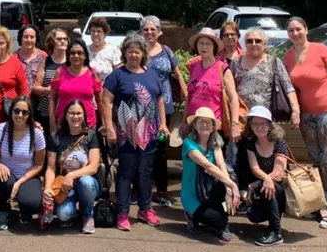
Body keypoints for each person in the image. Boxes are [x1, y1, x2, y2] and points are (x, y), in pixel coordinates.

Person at [285, 16, 327, 229]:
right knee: (316, 161)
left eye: (298, 29)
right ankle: (318, 204)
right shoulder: (288, 56)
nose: (295, 33)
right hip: (307, 116)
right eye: (291, 30)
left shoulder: (321, 50)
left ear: (306, 29)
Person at [101, 33, 168, 231]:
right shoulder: (117, 76)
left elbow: (159, 100)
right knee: (126, 173)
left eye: (137, 52)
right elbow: (106, 101)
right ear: (125, 53)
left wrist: (163, 123)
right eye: (130, 52)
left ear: (143, 54)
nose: (133, 55)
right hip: (126, 135)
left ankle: (145, 209)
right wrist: (110, 127)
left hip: (149, 135)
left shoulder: (151, 74)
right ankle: (122, 212)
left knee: (146, 173)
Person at [230, 27, 299, 197]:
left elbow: (288, 87)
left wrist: (295, 110)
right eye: (249, 41)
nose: (253, 44)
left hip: (265, 122)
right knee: (242, 159)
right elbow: (228, 92)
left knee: (268, 158)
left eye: (258, 41)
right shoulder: (236, 62)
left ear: (265, 44)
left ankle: (269, 193)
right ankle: (245, 195)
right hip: (243, 120)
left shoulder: (274, 62)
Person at [140, 15, 186, 206]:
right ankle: (140, 188)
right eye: (146, 29)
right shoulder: (137, 51)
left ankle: (161, 190)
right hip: (141, 107)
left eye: (153, 29)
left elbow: (177, 73)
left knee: (160, 149)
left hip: (164, 110)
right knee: (141, 146)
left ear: (159, 32)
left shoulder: (166, 51)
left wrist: (186, 93)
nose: (149, 32)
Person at [183, 28, 242, 176]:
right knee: (194, 168)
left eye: (208, 44)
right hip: (194, 125)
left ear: (214, 47)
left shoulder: (222, 68)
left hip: (213, 127)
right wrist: (184, 121)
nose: (204, 47)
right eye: (201, 43)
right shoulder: (194, 67)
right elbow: (189, 96)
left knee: (215, 168)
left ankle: (218, 196)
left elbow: (234, 98)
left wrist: (234, 124)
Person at [181, 107, 241, 243]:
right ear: (194, 125)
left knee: (224, 195)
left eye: (209, 122)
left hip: (210, 190)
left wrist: (228, 189)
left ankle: (223, 223)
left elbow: (221, 166)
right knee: (216, 219)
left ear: (214, 127)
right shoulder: (188, 144)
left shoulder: (215, 144)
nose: (205, 125)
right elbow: (209, 166)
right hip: (192, 194)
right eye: (201, 121)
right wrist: (232, 184)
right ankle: (192, 215)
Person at [0, 95, 47, 230]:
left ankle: (26, 211)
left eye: (24, 112)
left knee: (30, 204)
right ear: (11, 111)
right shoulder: (1, 129)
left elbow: (39, 164)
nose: (20, 115)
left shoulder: (36, 133)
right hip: (7, 174)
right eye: (16, 111)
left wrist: (20, 182)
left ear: (30, 114)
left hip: (27, 174)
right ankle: (3, 211)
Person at [43, 100, 101, 234]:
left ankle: (87, 214)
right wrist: (47, 189)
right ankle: (73, 208)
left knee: (85, 182)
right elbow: (50, 168)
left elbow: (93, 167)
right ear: (66, 115)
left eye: (79, 113)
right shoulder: (56, 137)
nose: (76, 117)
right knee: (63, 214)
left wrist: (72, 175)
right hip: (64, 186)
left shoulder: (91, 135)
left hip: (88, 183)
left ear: (84, 115)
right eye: (72, 113)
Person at [244, 106, 289, 247]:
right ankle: (273, 221)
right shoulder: (251, 143)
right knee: (252, 214)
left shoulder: (279, 142)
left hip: (282, 189)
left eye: (263, 123)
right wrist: (265, 180)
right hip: (265, 186)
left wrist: (261, 182)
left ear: (270, 125)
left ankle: (276, 232)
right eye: (254, 124)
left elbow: (279, 172)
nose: (259, 127)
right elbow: (255, 168)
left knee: (268, 187)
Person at [48, 39, 102, 136]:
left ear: (85, 56)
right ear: (68, 56)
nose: (76, 56)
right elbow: (52, 99)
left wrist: (104, 123)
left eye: (80, 53)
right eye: (72, 53)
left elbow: (100, 101)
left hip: (88, 127)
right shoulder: (60, 72)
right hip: (63, 125)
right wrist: (52, 124)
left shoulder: (92, 73)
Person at [34, 28, 68, 130]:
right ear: (52, 42)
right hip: (45, 114)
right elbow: (36, 87)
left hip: (67, 115)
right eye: (59, 39)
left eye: (65, 39)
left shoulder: (72, 61)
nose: (63, 41)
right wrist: (51, 90)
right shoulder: (45, 61)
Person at [15, 25, 47, 95]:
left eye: (32, 37)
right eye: (26, 37)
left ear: (36, 39)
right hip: (19, 100)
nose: (29, 40)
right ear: (21, 38)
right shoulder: (13, 57)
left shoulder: (43, 56)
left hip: (39, 100)